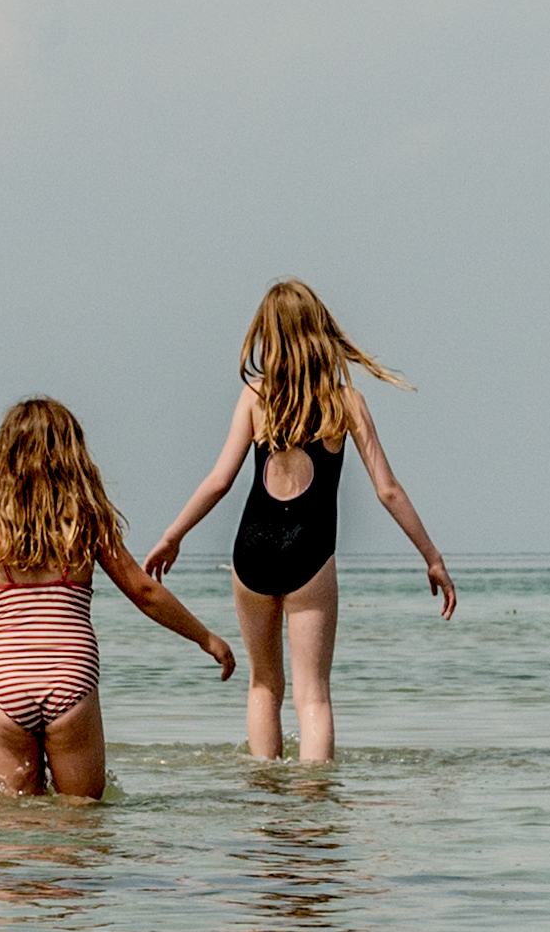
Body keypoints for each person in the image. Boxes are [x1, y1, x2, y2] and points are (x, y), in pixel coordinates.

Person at [139, 279, 457, 764]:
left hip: (251, 552)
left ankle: (266, 802)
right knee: (314, 696)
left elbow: (220, 480)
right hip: (309, 555)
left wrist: (171, 535)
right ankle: (313, 808)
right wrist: (431, 557)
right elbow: (387, 488)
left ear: (269, 336)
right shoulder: (345, 401)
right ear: (318, 332)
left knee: (263, 686)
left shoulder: (254, 397)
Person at [0, 396, 236, 798]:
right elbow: (144, 590)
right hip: (70, 678)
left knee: (14, 830)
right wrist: (206, 638)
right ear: (73, 454)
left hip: (8, 681)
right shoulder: (86, 520)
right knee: (81, 825)